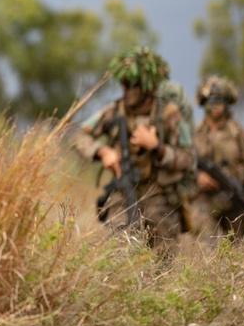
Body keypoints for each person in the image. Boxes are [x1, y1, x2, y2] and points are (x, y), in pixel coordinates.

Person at [72, 46, 196, 258]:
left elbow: (188, 159)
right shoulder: (114, 111)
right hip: (122, 193)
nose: (124, 90)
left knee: (162, 262)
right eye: (122, 84)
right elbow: (78, 137)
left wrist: (157, 147)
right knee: (117, 254)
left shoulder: (169, 115)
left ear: (147, 87)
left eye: (130, 85)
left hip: (159, 198)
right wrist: (102, 151)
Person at [190, 75, 244, 244]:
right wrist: (197, 177)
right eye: (210, 100)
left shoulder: (239, 134)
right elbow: (182, 165)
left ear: (227, 103)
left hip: (235, 199)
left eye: (219, 100)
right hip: (205, 198)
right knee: (204, 239)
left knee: (237, 249)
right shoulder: (195, 135)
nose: (214, 105)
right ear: (203, 102)